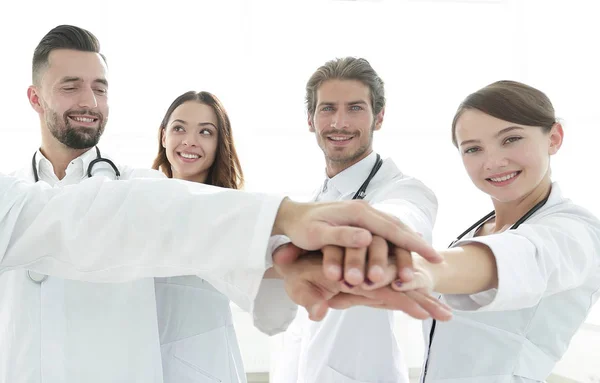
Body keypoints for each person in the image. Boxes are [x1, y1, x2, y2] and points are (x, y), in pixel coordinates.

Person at [0, 25, 448, 383]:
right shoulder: (12, 191)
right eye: (71, 87)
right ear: (35, 97)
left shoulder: (138, 189)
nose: (89, 101)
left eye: (100, 87)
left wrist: (287, 236)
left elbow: (187, 220)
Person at [334, 80, 600, 382]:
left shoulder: (577, 231)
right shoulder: (478, 230)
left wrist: (422, 268)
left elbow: (526, 256)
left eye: (511, 139)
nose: (493, 162)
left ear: (554, 138)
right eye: (473, 149)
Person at [272, 57, 439, 383]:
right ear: (310, 119)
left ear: (379, 116)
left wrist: (373, 233)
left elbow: (405, 217)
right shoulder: (312, 202)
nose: (339, 122)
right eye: (328, 109)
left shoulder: (403, 189)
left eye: (355, 108)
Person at [151, 90, 296, 382]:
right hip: (145, 359)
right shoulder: (144, 201)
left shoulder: (235, 213)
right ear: (164, 135)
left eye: (205, 132)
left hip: (205, 363)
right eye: (179, 128)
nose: (190, 140)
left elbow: (273, 271)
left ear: (219, 144)